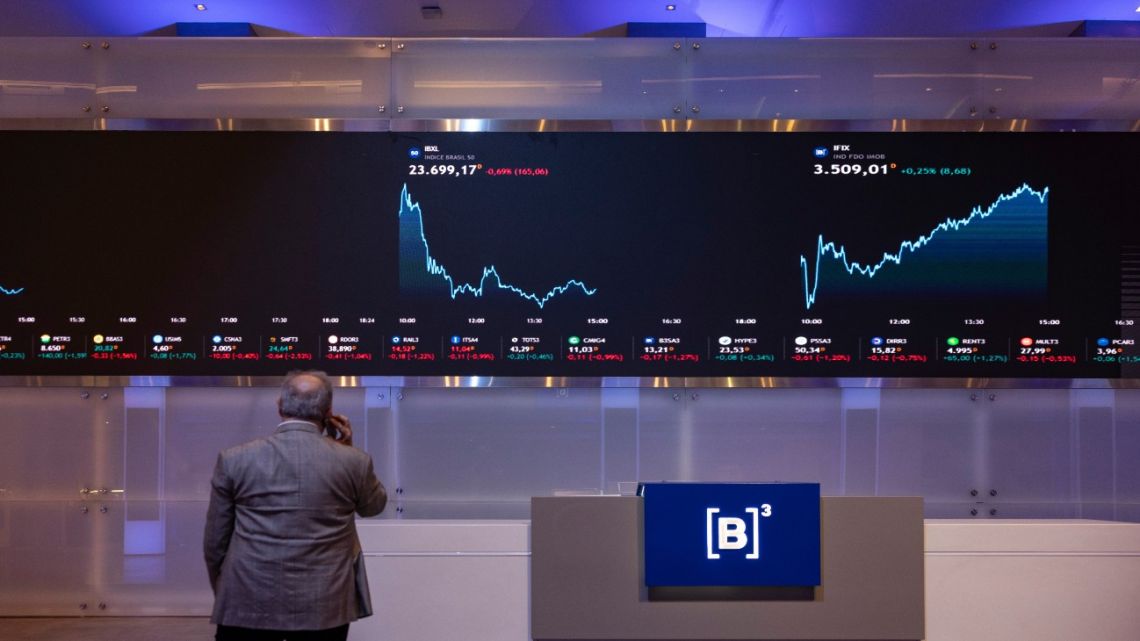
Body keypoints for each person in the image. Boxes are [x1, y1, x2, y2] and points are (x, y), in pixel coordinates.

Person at [204, 370, 387, 641]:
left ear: (279, 406)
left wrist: (224, 589)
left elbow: (215, 542)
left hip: (247, 597)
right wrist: (347, 448)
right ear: (328, 411)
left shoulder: (235, 459)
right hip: (326, 605)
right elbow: (373, 506)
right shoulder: (354, 461)